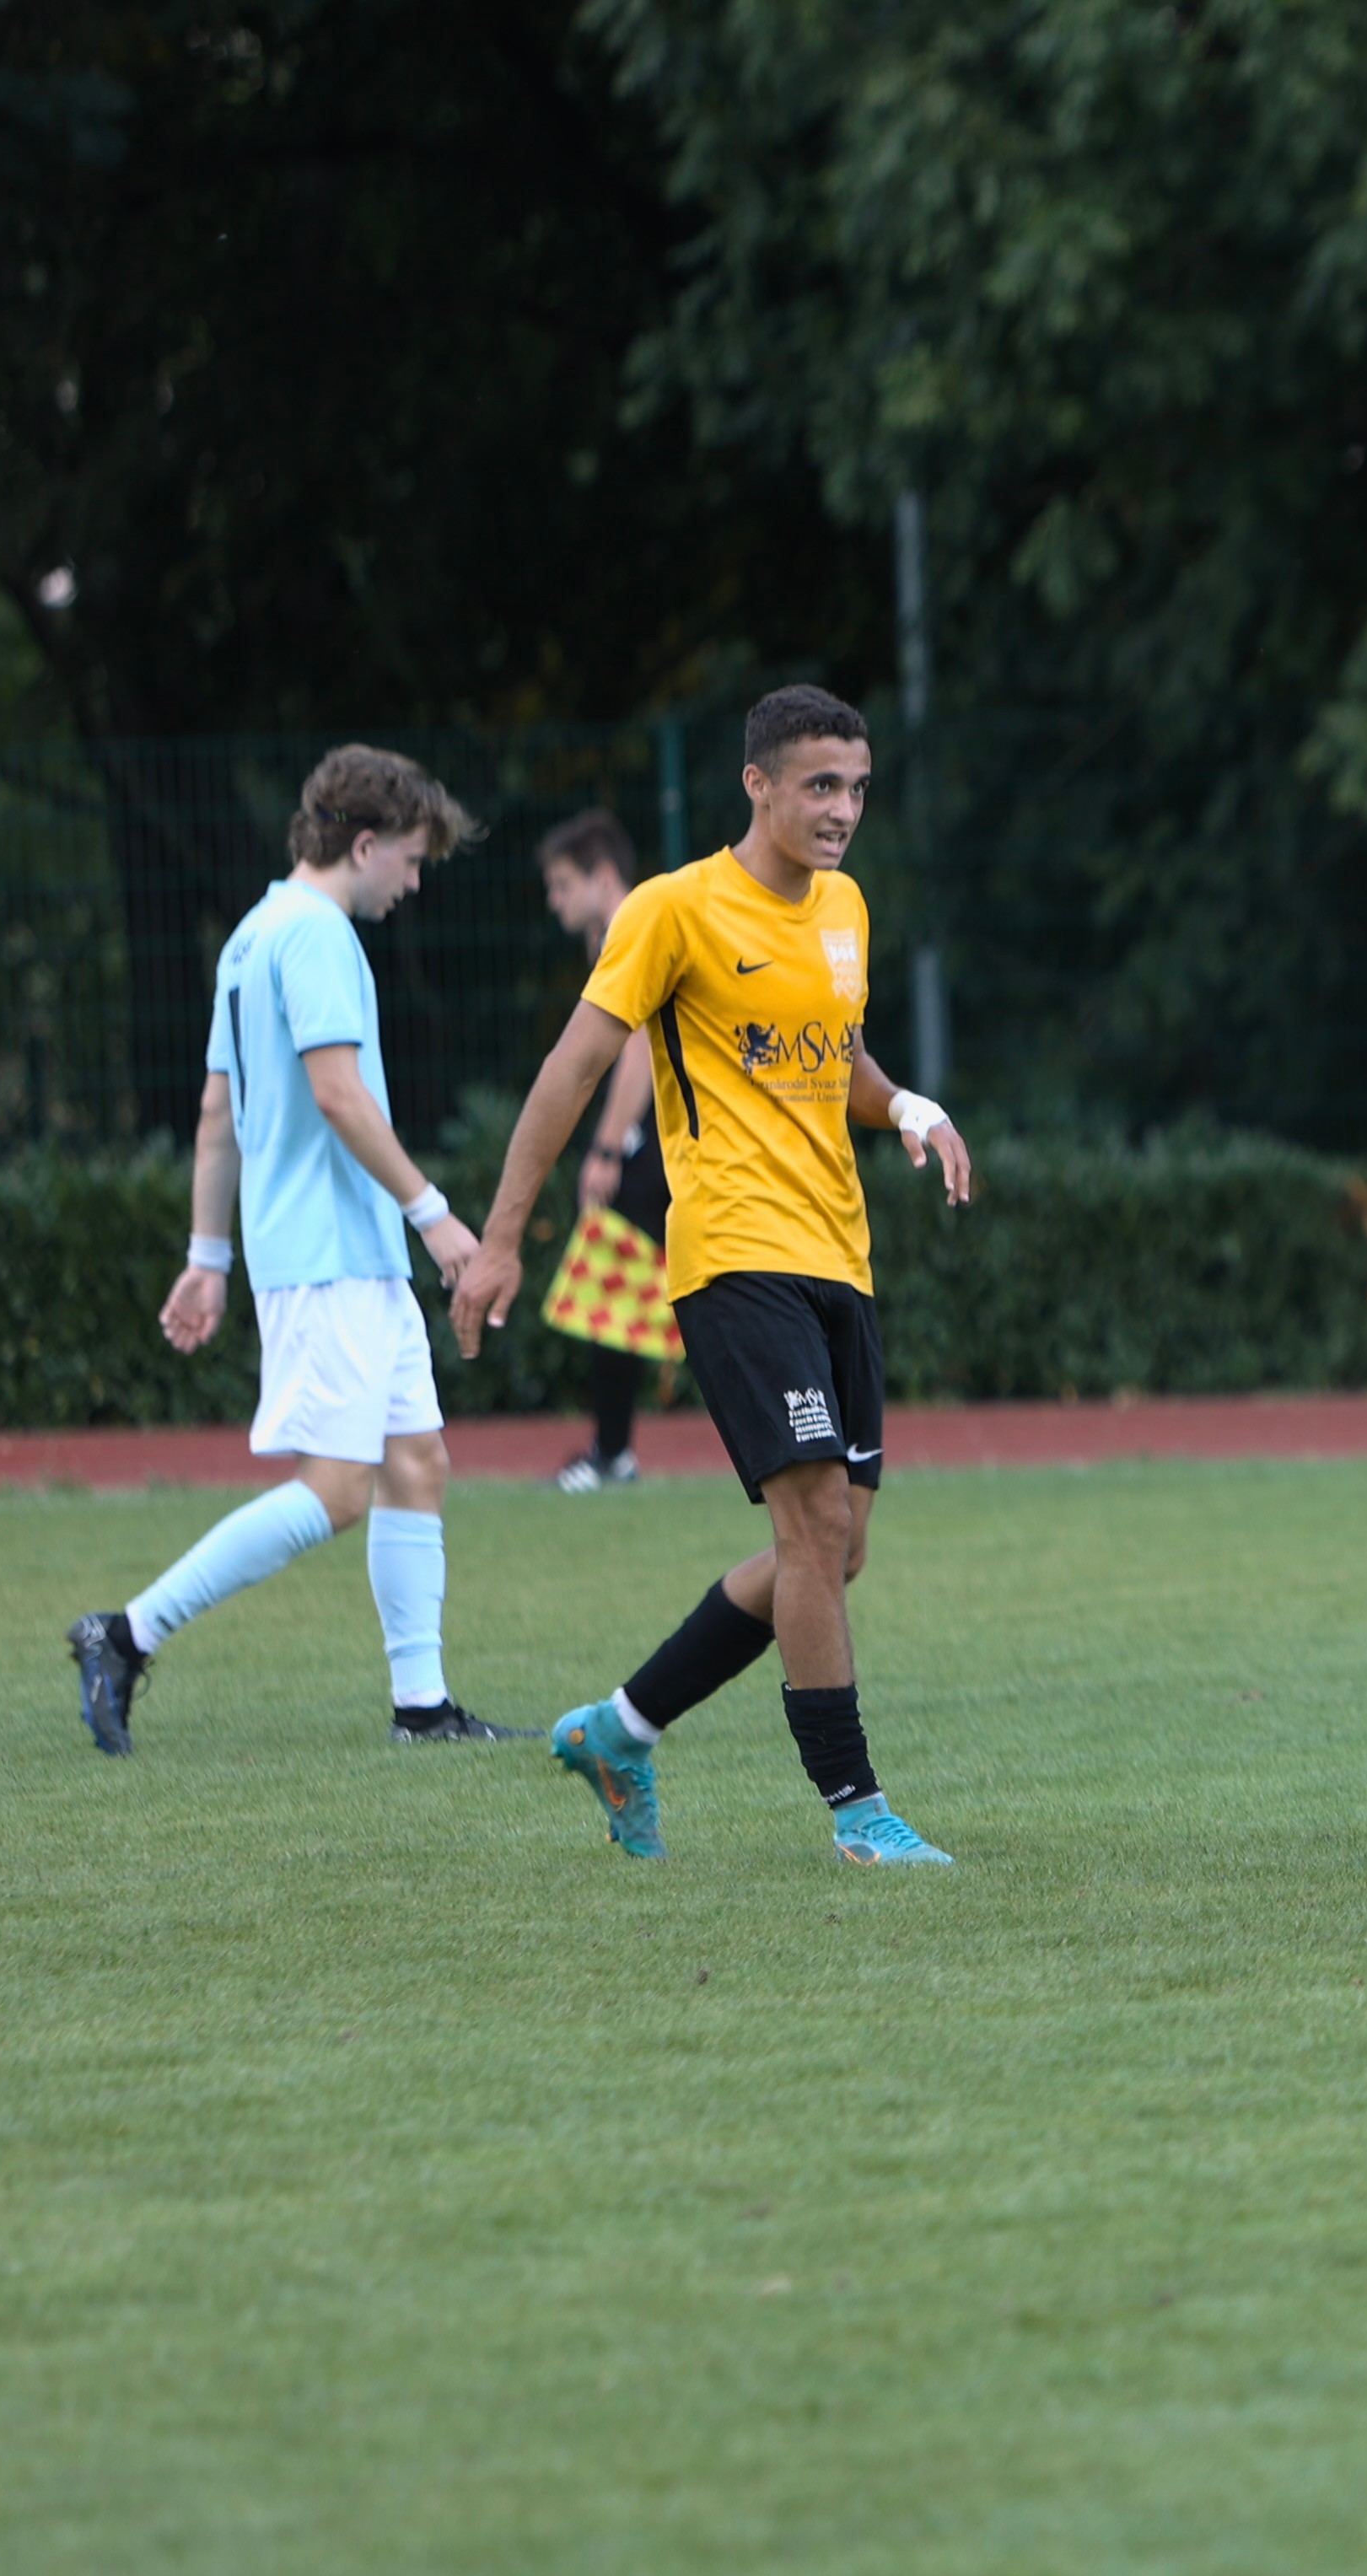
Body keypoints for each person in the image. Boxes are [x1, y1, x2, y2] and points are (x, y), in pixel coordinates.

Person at [449, 684, 978, 1866]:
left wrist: (909, 1107)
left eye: (857, 788)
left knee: (835, 1552)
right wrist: (500, 1238)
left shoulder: (845, 908)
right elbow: (572, 1068)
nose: (843, 810)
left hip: (841, 1258)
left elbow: (839, 1057)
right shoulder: (672, 909)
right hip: (734, 1256)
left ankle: (618, 1730)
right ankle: (859, 1813)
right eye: (820, 786)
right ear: (758, 784)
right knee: (813, 1528)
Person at [67, 747, 509, 1752]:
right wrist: (434, 1213)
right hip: (329, 1253)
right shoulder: (315, 934)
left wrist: (207, 1257)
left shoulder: (253, 933)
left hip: (343, 1254)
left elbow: (216, 1113)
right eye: (412, 859)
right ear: (366, 844)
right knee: (338, 1489)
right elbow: (337, 1095)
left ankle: (423, 1709)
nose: (414, 881)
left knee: (417, 1462)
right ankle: (125, 1634)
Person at [535, 809, 673, 1492]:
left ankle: (612, 1453)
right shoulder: (629, 929)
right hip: (677, 1140)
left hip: (659, 1144)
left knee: (615, 1292)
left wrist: (609, 1149)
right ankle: (612, 1449)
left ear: (603, 876)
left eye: (563, 884)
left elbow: (639, 1046)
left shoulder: (629, 929)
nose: (554, 900)